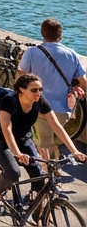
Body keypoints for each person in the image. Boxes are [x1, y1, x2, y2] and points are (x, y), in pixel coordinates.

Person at [0, 72, 87, 211]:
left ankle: (35, 213)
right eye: (34, 90)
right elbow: (6, 129)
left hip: (24, 139)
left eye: (40, 89)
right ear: (21, 90)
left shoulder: (39, 100)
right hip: (0, 140)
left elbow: (56, 125)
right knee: (13, 173)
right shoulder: (8, 101)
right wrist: (18, 153)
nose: (38, 93)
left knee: (39, 176)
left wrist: (74, 151)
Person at [17, 18, 87, 161]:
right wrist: (73, 89)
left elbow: (20, 79)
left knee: (44, 147)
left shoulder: (31, 53)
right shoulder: (71, 54)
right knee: (50, 142)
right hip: (63, 111)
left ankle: (48, 171)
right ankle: (52, 168)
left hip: (38, 108)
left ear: (42, 33)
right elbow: (83, 82)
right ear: (60, 35)